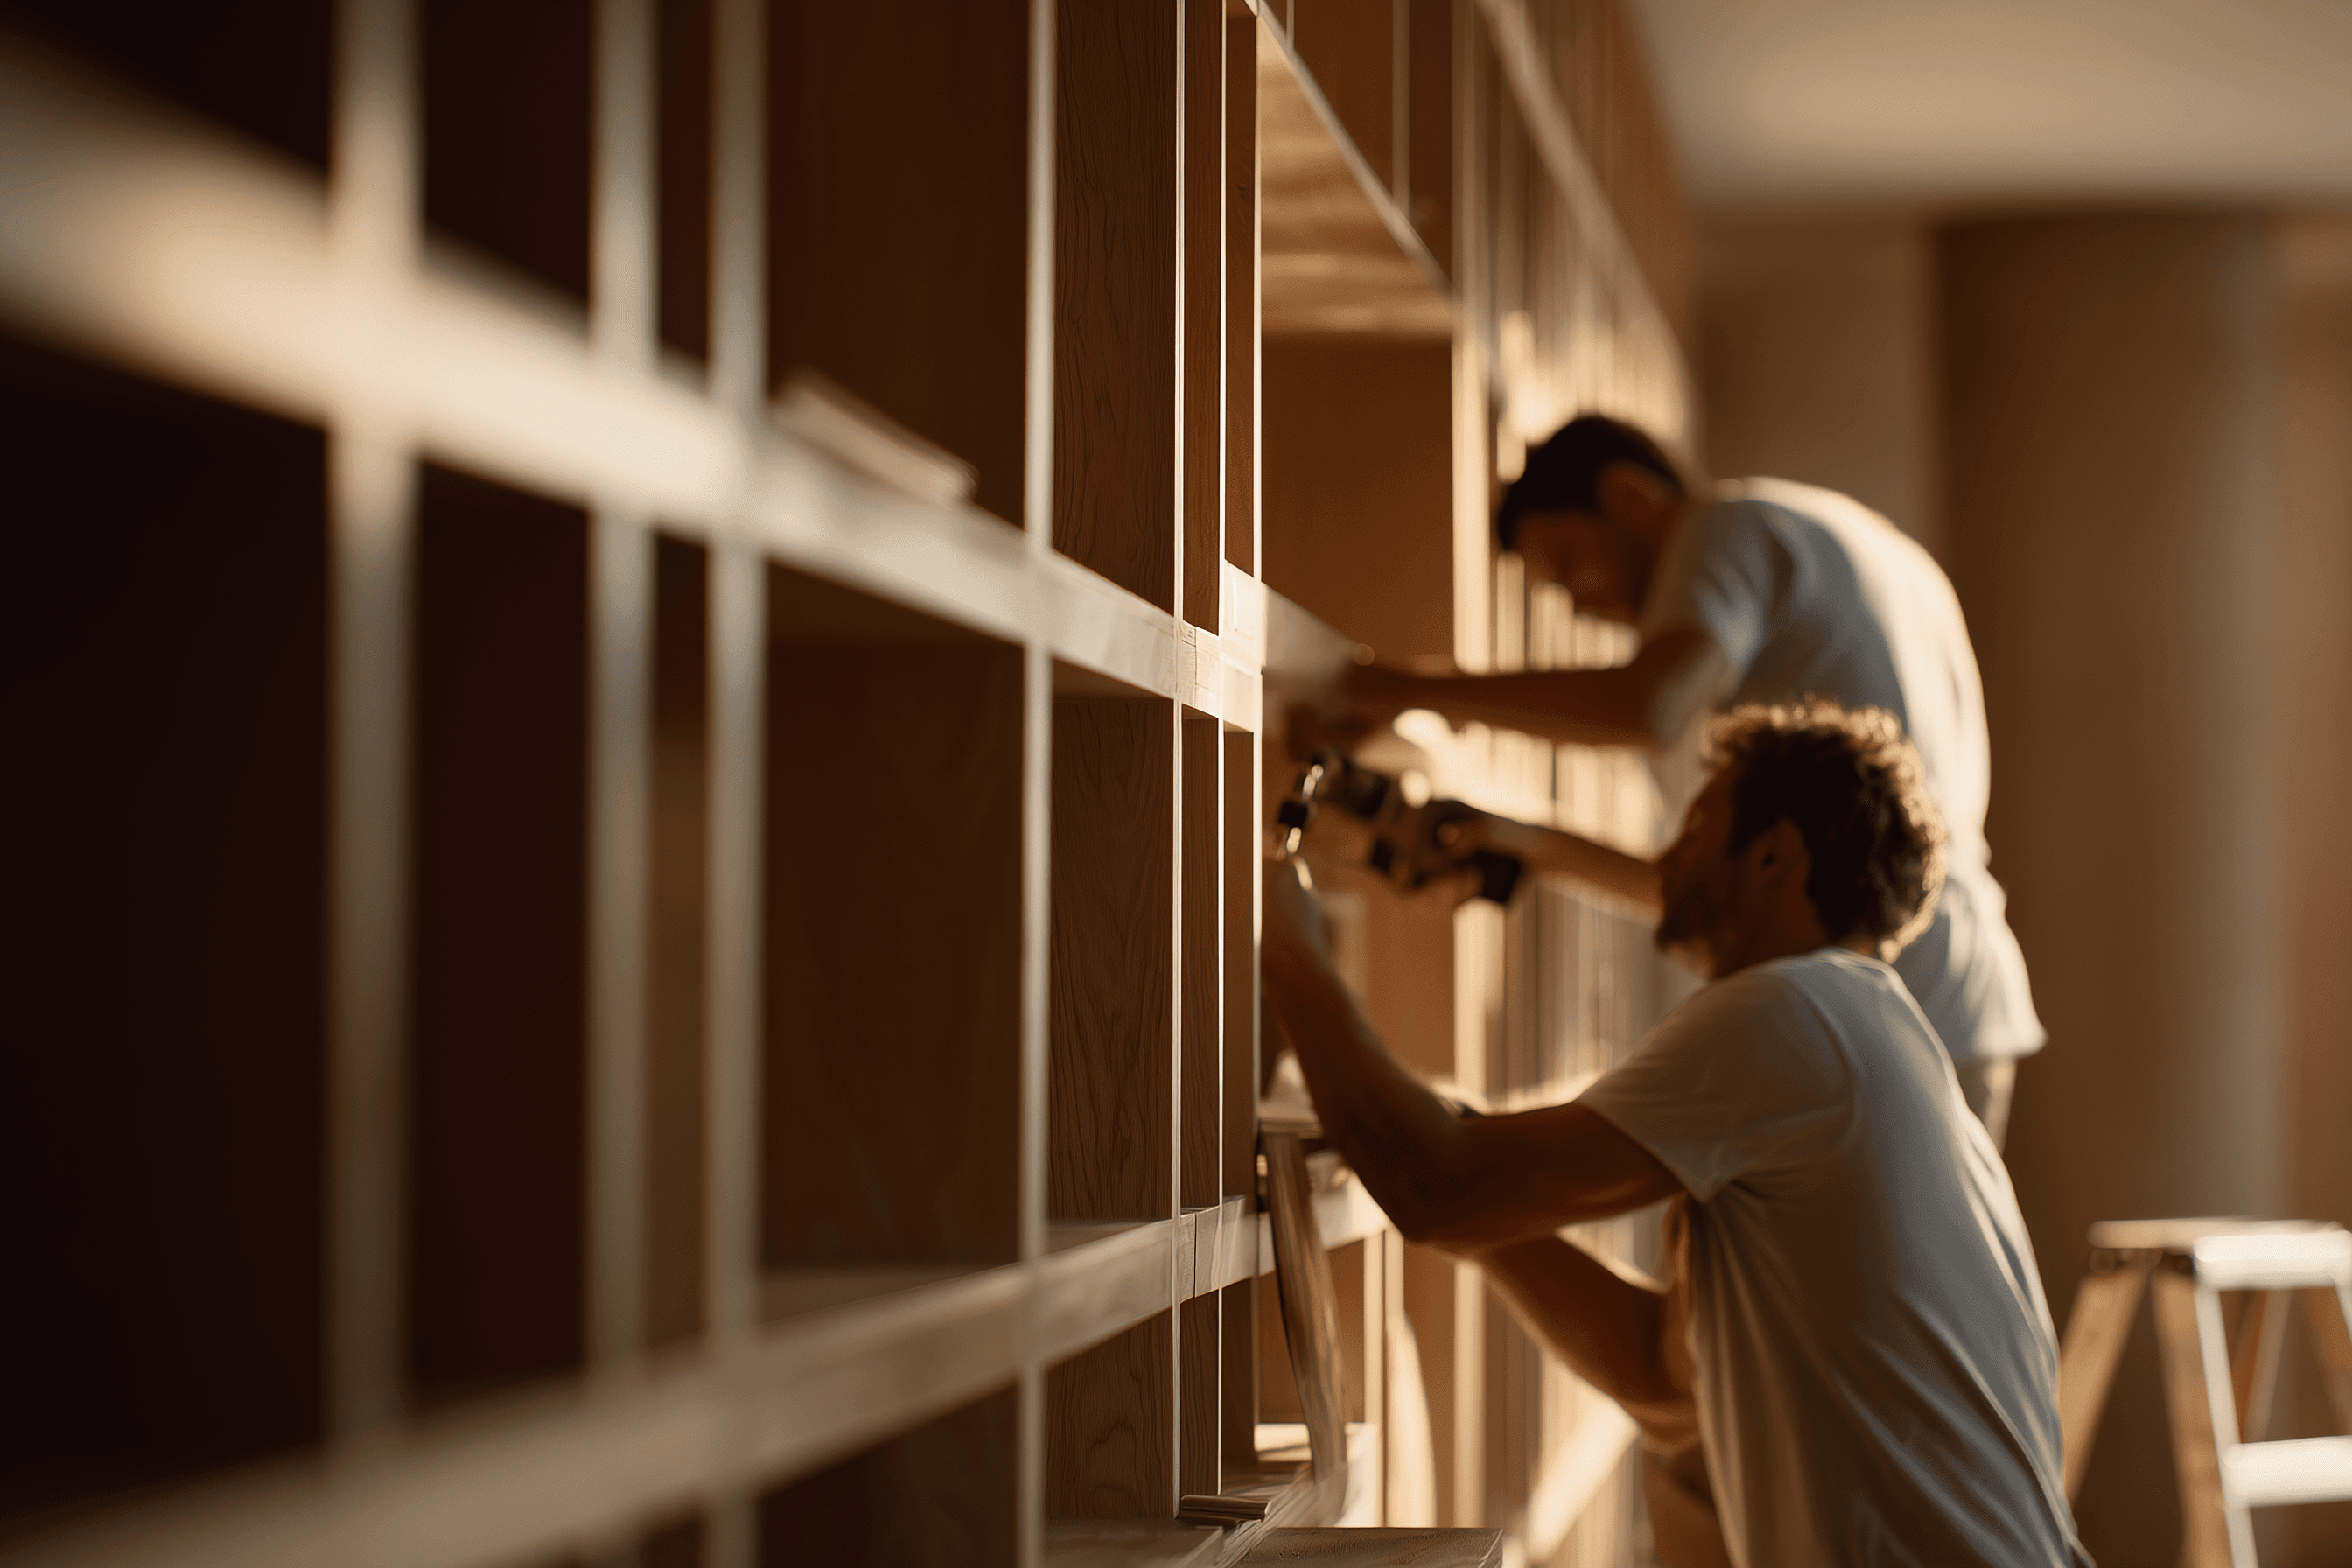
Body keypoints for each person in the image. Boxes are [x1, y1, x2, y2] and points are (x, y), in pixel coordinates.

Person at [1260, 700, 2088, 1568]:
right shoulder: (1872, 1038)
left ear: (1772, 855)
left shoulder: (1795, 1013)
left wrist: (1290, 955)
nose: (1668, 856)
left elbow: (1441, 1192)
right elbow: (1663, 1383)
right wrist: (1434, 1146)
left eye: (1696, 825)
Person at [1348, 416, 2041, 1145]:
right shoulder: (1869, 548)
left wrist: (1400, 691)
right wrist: (1520, 838)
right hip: (1960, 988)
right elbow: (1708, 889)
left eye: (1565, 562)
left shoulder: (1725, 528)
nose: (1578, 607)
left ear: (1628, 497)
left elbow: (1649, 708)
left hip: (1879, 993)